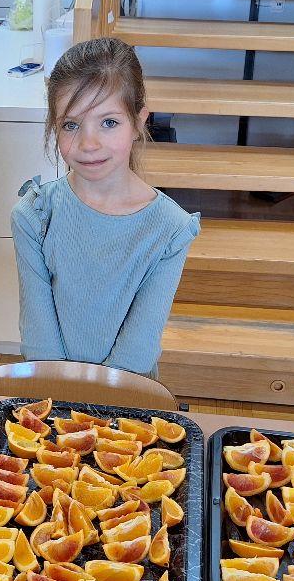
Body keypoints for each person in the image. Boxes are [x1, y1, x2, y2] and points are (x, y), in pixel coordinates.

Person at [11, 38, 200, 378]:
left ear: (139, 122)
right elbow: (39, 340)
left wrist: (99, 408)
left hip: (128, 394)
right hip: (51, 388)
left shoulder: (171, 229)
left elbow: (138, 350)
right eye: (71, 125)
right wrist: (64, 402)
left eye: (109, 122)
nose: (89, 144)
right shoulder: (34, 215)